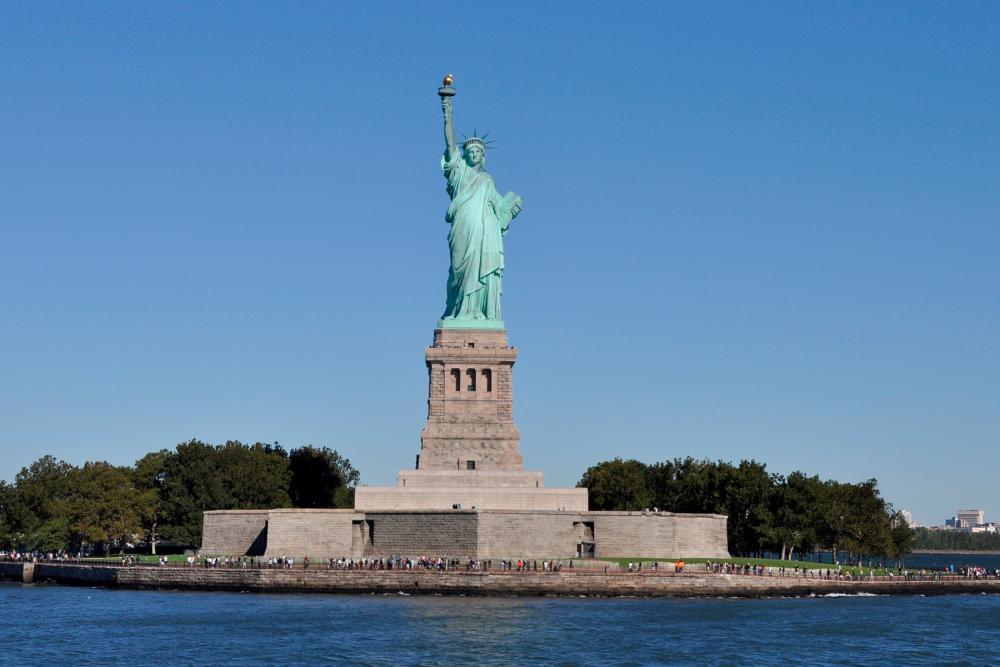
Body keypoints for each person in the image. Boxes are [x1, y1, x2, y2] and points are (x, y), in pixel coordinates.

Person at [439, 94, 522, 323]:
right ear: (464, 155)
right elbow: (449, 143)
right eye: (470, 151)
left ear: (483, 156)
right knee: (459, 269)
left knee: (480, 267)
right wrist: (448, 114)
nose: (473, 154)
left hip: (484, 233)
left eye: (478, 152)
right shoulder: (460, 173)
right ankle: (459, 311)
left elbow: (501, 212)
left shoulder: (487, 181)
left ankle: (477, 311)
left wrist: (512, 208)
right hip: (463, 226)